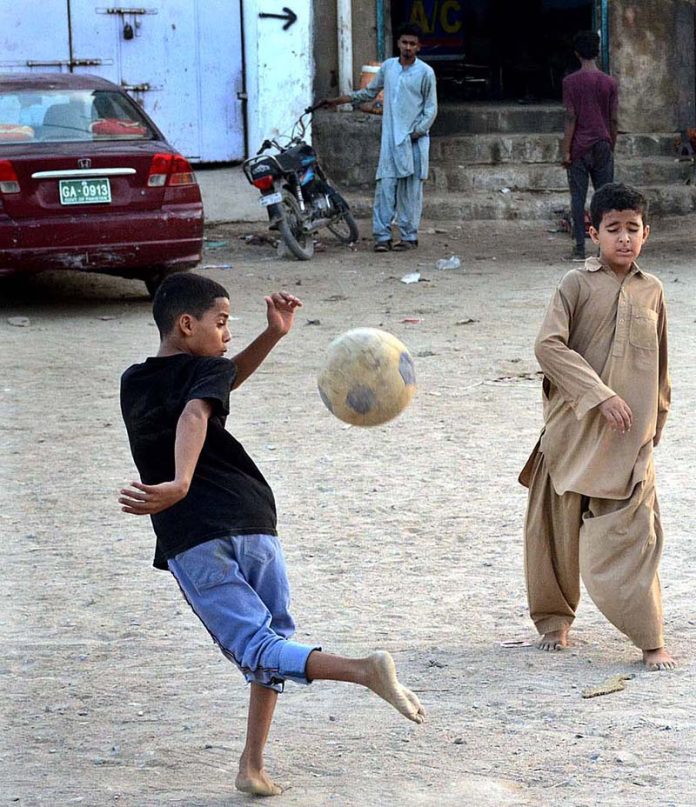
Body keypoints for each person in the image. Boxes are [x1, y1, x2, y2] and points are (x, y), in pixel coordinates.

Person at [118, 273, 424, 797]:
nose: (228, 333)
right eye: (222, 322)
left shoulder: (135, 380)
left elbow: (197, 406)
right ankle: (251, 766)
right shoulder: (206, 374)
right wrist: (274, 334)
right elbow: (209, 389)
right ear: (186, 325)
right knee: (271, 644)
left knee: (260, 647)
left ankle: (361, 671)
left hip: (195, 531)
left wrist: (180, 482)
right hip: (254, 516)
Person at [519, 183, 675, 672]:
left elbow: (661, 369)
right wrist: (599, 394)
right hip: (572, 436)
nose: (624, 239)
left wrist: (655, 426)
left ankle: (651, 640)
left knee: (636, 540)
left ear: (646, 234)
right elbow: (549, 347)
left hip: (629, 444)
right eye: (613, 229)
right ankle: (554, 621)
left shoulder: (654, 291)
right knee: (553, 537)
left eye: (633, 229)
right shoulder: (575, 284)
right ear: (593, 233)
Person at [324, 23, 437, 253]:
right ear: (398, 43)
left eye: (412, 44)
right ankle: (382, 237)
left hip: (413, 140)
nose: (407, 47)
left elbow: (431, 108)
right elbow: (368, 93)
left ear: (419, 47)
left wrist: (417, 131)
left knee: (410, 192)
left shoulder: (426, 72)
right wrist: (341, 100)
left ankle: (409, 236)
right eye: (404, 42)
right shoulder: (388, 68)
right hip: (390, 142)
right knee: (385, 187)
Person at [562, 30, 618, 262]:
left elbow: (570, 118)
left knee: (578, 198)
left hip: (579, 146)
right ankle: (605, 248)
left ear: (577, 53)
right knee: (605, 199)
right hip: (603, 143)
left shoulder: (570, 82)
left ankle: (579, 248)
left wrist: (566, 149)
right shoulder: (609, 82)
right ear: (597, 52)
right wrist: (611, 142)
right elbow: (614, 118)